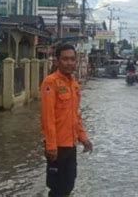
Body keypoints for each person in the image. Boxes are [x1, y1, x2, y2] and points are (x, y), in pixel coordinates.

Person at [41, 44, 93, 197]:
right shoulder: (50, 82)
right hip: (56, 146)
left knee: (69, 183)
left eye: (72, 59)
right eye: (65, 59)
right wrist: (51, 146)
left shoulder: (74, 85)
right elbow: (47, 117)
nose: (69, 63)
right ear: (57, 61)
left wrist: (83, 138)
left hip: (70, 144)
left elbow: (75, 115)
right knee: (57, 188)